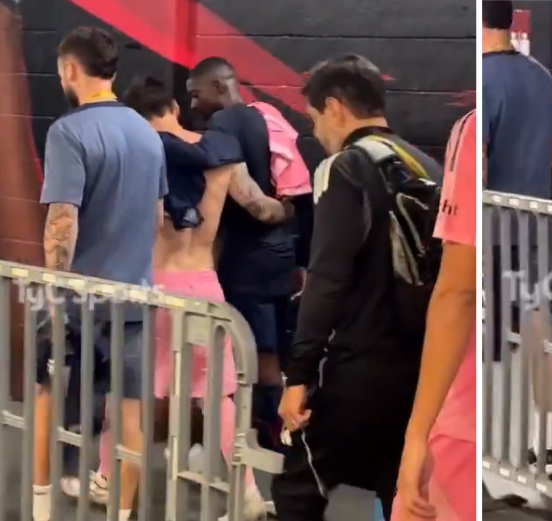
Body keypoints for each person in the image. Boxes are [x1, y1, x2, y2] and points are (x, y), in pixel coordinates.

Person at [60, 75, 289, 520]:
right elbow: (260, 206)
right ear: (175, 109)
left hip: (151, 288)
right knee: (217, 398)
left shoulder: (136, 155)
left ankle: (109, 479)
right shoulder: (222, 155)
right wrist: (293, 211)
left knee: (125, 393)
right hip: (203, 286)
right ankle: (247, 494)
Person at [272, 54, 442, 520]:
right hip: (420, 365)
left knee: (299, 487)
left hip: (354, 365)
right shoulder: (429, 167)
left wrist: (299, 374)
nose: (316, 134)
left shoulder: (344, 167)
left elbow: (327, 278)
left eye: (313, 120)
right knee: (402, 490)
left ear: (334, 108)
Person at [32, 27, 167, 521]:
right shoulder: (147, 133)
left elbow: (62, 222)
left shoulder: (68, 132)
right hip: (135, 296)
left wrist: (53, 294)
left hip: (79, 299)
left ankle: (40, 506)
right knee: (130, 413)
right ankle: (123, 513)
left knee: (47, 396)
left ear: (70, 69)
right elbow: (156, 219)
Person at [187, 57, 299, 450]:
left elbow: (248, 198)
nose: (193, 105)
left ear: (219, 87)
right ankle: (274, 431)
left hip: (248, 257)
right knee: (272, 348)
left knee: (250, 351)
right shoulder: (260, 118)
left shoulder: (222, 125)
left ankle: (267, 434)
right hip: (278, 252)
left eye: (196, 94)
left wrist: (276, 211)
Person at [482, 0, 552, 479]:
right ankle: (546, 443)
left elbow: (478, 161)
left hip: (491, 228)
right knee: (539, 325)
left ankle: (474, 448)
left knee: (472, 328)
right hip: (535, 224)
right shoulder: (542, 77)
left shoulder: (485, 77)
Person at [394, 109, 477, 521]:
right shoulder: (542, 93)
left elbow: (458, 292)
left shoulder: (473, 129)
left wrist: (417, 436)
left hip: (465, 405)